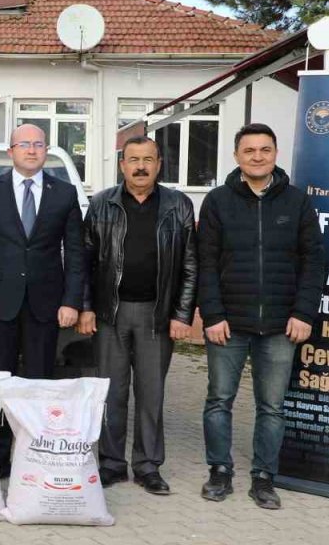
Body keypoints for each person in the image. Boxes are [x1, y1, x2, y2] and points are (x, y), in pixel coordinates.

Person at [197, 123, 326, 510]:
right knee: (219, 400)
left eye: (265, 149)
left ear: (275, 154)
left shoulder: (297, 202)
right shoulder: (217, 201)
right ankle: (220, 470)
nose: (257, 156)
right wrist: (212, 315)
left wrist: (303, 313)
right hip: (228, 324)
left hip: (280, 326)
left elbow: (314, 261)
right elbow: (205, 262)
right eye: (249, 150)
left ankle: (264, 477)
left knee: (272, 407)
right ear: (236, 156)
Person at [78, 135, 197, 495]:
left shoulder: (178, 205)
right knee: (111, 392)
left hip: (156, 315)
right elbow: (84, 262)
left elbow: (191, 264)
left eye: (148, 159)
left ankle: (148, 466)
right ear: (122, 165)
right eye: (133, 160)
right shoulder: (101, 204)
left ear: (159, 164)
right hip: (110, 314)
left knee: (151, 394)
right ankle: (111, 464)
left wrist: (182, 315)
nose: (141, 167)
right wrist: (86, 307)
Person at [0, 122, 84, 477]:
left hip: (46, 305)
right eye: (24, 144)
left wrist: (71, 301)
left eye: (38, 144)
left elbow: (76, 253)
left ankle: (32, 457)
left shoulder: (64, 194)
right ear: (11, 151)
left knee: (38, 384)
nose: (32, 150)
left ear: (46, 150)